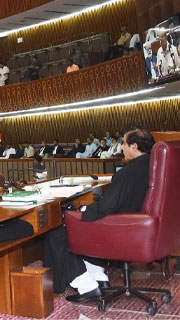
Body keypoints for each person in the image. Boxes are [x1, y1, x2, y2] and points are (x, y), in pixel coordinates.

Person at [44, 128, 155, 301]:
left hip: (121, 230)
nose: (122, 148)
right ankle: (99, 278)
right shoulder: (154, 167)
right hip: (140, 229)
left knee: (58, 234)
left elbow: (107, 207)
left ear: (134, 146)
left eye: (124, 144)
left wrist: (80, 212)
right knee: (75, 228)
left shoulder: (127, 173)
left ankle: (86, 286)